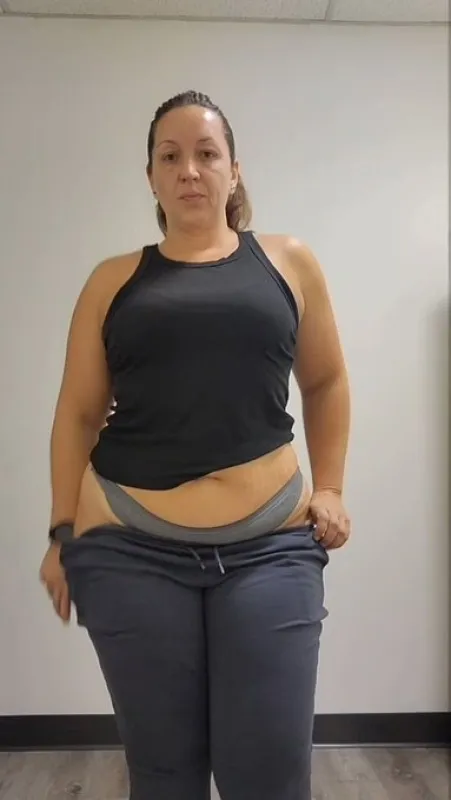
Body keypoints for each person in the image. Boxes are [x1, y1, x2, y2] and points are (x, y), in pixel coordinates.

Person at [39, 89, 351, 800]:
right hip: (130, 552)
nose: (189, 169)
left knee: (268, 775)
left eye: (206, 154)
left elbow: (327, 380)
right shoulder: (112, 281)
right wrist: (62, 533)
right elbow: (78, 414)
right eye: (169, 156)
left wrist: (331, 487)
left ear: (233, 170)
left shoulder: (287, 262)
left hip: (271, 550)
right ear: (150, 176)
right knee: (164, 775)